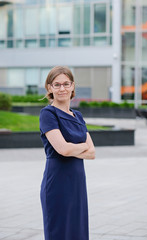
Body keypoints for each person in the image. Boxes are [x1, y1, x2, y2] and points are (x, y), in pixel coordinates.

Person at [39, 66, 95, 240]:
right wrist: (79, 147)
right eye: (57, 85)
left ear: (72, 86)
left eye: (66, 84)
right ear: (49, 88)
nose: (62, 88)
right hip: (57, 183)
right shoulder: (48, 114)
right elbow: (63, 149)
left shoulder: (77, 116)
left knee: (78, 232)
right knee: (59, 233)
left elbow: (92, 152)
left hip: (77, 184)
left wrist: (72, 148)